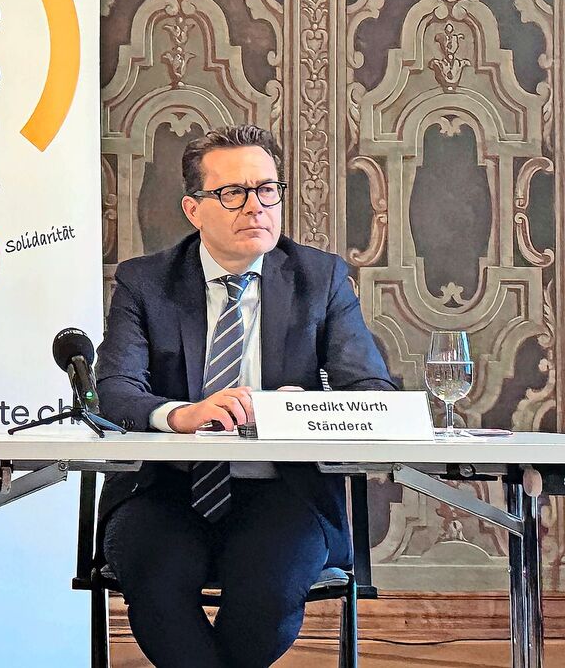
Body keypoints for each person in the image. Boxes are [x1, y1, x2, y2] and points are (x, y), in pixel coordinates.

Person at [94, 125, 396, 668]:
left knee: (269, 591)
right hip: (164, 490)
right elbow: (115, 390)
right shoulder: (145, 282)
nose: (255, 206)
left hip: (284, 492)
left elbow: (372, 392)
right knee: (158, 585)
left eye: (267, 189)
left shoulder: (320, 278)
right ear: (193, 209)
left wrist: (298, 410)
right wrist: (181, 415)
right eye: (233, 192)